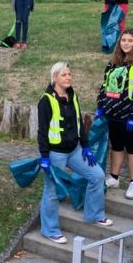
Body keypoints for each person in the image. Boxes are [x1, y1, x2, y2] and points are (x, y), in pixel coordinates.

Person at [37, 62, 111, 244]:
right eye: (64, 75)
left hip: (75, 150)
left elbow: (79, 124)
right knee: (52, 191)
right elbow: (42, 131)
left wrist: (85, 146)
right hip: (55, 154)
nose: (69, 77)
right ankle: (50, 230)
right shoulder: (46, 101)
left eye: (70, 74)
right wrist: (44, 157)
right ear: (55, 78)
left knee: (97, 176)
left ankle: (94, 214)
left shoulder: (72, 96)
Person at [96, 30, 133, 199]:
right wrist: (101, 105)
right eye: (123, 40)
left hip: (131, 115)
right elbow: (105, 86)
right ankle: (114, 177)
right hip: (113, 113)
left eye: (129, 41)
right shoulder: (113, 63)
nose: (126, 43)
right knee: (117, 146)